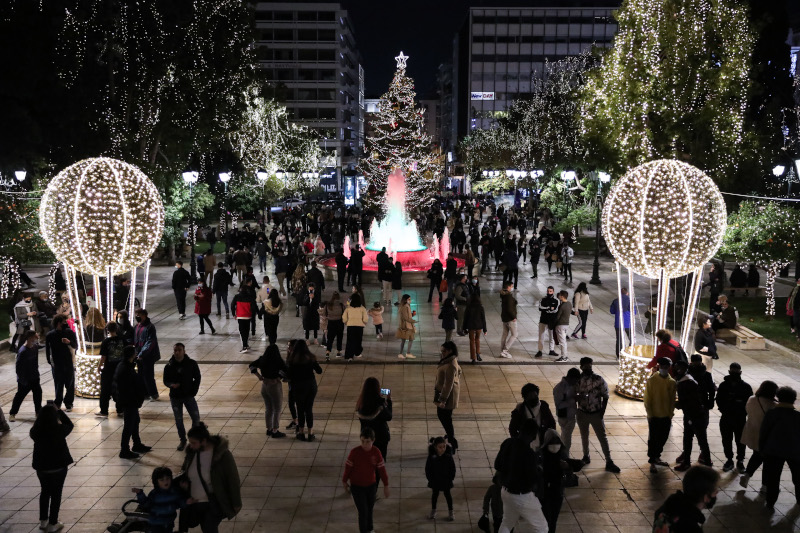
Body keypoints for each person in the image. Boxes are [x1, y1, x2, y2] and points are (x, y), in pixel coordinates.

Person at [179, 422, 242, 532]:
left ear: (204, 441)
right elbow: (186, 471)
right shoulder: (192, 452)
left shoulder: (222, 455)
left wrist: (236, 503)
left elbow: (233, 479)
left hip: (212, 502)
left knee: (209, 528)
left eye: (194, 443)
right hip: (195, 503)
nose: (191, 446)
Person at [493, 418, 549, 532]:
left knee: (507, 523)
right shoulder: (529, 454)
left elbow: (497, 465)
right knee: (542, 528)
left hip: (506, 492)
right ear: (533, 435)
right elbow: (532, 480)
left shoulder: (507, 443)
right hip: (522, 496)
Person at [30, 404, 73, 533]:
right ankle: (53, 522)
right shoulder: (59, 430)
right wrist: (59, 411)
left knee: (45, 492)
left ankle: (43, 521)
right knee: (56, 494)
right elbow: (70, 424)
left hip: (42, 468)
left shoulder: (35, 431)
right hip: (58, 467)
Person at [576, 357, 620, 472]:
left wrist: (602, 412)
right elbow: (573, 395)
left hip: (596, 413)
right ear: (581, 367)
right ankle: (586, 456)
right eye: (585, 367)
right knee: (584, 436)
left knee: (602, 437)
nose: (588, 369)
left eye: (590, 366)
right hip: (582, 412)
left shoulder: (598, 379)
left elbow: (605, 396)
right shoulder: (578, 380)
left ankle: (609, 460)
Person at [342, 427, 390, 533]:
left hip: (371, 486)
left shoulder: (376, 452)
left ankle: (370, 528)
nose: (365, 444)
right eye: (363, 441)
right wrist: (344, 481)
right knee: (363, 511)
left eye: (367, 442)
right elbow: (348, 468)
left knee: (369, 509)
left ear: (373, 440)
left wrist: (386, 485)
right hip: (357, 487)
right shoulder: (355, 452)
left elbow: (381, 470)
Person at [759, 386, 800, 511]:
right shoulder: (798, 416)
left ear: (778, 398)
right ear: (793, 400)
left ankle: (770, 502)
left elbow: (764, 432)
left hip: (773, 451)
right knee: (798, 477)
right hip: (795, 451)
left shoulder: (772, 414)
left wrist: (762, 449)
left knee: (773, 478)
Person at [652, 465, 720, 532]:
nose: (717, 493)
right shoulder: (691, 527)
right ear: (706, 498)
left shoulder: (667, 508)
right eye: (715, 492)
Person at [113, 346, 151, 459]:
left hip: (129, 401)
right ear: (132, 355)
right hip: (129, 402)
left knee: (135, 422)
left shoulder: (124, 365)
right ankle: (124, 450)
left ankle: (137, 444)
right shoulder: (126, 369)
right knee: (129, 426)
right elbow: (133, 385)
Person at [740, 380, 778, 489]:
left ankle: (747, 475)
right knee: (767, 461)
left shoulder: (751, 399)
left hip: (752, 433)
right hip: (766, 437)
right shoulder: (773, 405)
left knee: (757, 455)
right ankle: (764, 486)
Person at [673, 360, 711, 471]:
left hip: (695, 415)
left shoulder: (687, 382)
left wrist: (678, 404)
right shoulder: (685, 380)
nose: (677, 370)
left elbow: (690, 400)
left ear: (685, 369)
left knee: (701, 439)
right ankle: (687, 461)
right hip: (691, 414)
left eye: (679, 368)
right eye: (676, 368)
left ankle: (707, 462)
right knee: (688, 438)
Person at [163, 343, 202, 451]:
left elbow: (197, 377)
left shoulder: (191, 364)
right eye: (175, 350)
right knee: (178, 420)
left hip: (188, 395)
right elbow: (165, 380)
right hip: (175, 397)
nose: (177, 352)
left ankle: (194, 439)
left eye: (179, 350)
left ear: (184, 351)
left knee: (196, 418)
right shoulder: (169, 366)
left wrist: (193, 391)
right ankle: (182, 440)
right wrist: (171, 385)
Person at [715, 362, 752, 473]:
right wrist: (725, 408)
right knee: (726, 440)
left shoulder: (745, 387)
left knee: (740, 441)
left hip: (740, 419)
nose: (734, 374)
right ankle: (729, 459)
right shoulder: (724, 385)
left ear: (740, 372)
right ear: (729, 372)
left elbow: (749, 402)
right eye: (733, 372)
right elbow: (719, 400)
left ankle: (740, 461)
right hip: (726, 417)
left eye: (736, 372)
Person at [132, 467, 192, 533]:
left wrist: (186, 502)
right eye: (162, 480)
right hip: (156, 523)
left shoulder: (174, 492)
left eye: (167, 478)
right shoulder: (154, 493)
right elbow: (146, 503)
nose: (166, 481)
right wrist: (140, 494)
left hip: (169, 522)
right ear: (156, 482)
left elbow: (179, 503)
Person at [644, 357, 677, 473]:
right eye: (662, 366)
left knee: (663, 437)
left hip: (666, 416)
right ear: (659, 366)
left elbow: (672, 400)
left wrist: (670, 414)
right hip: (654, 416)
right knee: (653, 439)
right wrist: (650, 414)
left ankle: (657, 456)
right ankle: (652, 461)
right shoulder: (652, 380)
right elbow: (647, 399)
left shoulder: (672, 382)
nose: (664, 368)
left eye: (666, 367)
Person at [249, 343, 288, 438]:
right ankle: (275, 430)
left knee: (268, 408)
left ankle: (269, 429)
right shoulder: (278, 360)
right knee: (277, 409)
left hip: (264, 385)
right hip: (274, 385)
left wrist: (259, 376)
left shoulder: (262, 359)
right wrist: (280, 377)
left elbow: (251, 366)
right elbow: (286, 371)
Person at [286, 340, 322, 441]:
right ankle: (310, 433)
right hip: (311, 386)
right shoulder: (311, 358)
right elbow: (319, 371)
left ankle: (301, 433)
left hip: (298, 387)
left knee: (300, 410)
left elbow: (289, 375)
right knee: (309, 409)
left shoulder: (292, 360)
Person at [45, 314, 77, 411]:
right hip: (57, 363)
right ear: (58, 323)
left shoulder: (69, 332)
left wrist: (69, 342)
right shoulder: (50, 335)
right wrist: (50, 362)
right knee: (58, 384)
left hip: (68, 362)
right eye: (64, 322)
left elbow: (75, 345)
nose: (66, 323)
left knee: (70, 383)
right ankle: (58, 402)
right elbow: (48, 350)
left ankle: (68, 402)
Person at [434, 341, 461, 453]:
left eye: (444, 351)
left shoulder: (451, 364)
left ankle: (452, 440)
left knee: (444, 417)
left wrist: (443, 400)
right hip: (444, 393)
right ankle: (451, 437)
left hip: (447, 396)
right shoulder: (449, 360)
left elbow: (448, 384)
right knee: (445, 417)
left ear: (450, 350)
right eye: (441, 351)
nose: (442, 353)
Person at [9, 330, 43, 421]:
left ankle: (38, 412)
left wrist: (37, 373)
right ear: (30, 338)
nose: (37, 338)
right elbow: (18, 368)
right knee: (20, 396)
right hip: (25, 379)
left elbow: (35, 361)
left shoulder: (35, 348)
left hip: (35, 377)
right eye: (36, 336)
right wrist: (22, 379)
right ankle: (12, 413)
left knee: (38, 394)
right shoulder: (22, 351)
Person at [356, 377, 393, 459]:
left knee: (368, 460)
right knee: (380, 459)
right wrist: (389, 401)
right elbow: (389, 416)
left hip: (367, 436)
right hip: (381, 437)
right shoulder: (379, 404)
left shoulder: (361, 403)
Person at [98, 321, 126, 417]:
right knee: (120, 388)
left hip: (108, 369)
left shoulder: (106, 342)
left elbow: (103, 357)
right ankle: (120, 409)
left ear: (107, 330)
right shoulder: (123, 340)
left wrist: (99, 366)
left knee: (105, 391)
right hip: (120, 369)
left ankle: (104, 410)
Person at [426, 436, 456, 521]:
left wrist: (451, 478)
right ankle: (433, 510)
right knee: (435, 495)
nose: (442, 449)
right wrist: (430, 479)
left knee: (448, 495)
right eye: (440, 447)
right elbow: (428, 469)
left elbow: (452, 468)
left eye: (444, 446)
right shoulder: (432, 457)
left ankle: (451, 512)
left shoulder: (448, 456)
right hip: (435, 480)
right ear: (435, 447)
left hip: (446, 480)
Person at [134, 308, 161, 400]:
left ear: (144, 315)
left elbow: (150, 342)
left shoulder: (150, 327)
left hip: (148, 355)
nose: (137, 316)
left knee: (148, 375)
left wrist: (142, 354)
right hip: (139, 355)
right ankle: (145, 393)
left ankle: (153, 393)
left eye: (139, 315)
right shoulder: (137, 326)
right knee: (141, 374)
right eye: (136, 314)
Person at [553, 368, 580, 456]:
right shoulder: (559, 388)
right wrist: (573, 400)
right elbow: (559, 405)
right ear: (571, 378)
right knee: (566, 438)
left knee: (565, 436)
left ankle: (563, 455)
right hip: (563, 416)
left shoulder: (573, 385)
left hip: (571, 415)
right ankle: (565, 456)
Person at [610, 287, 635, 357]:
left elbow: (612, 311)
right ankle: (630, 352)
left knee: (619, 339)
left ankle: (619, 355)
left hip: (618, 323)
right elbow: (634, 312)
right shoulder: (630, 301)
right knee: (631, 339)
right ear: (627, 293)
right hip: (628, 324)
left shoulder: (615, 301)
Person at [535, 286, 558, 358]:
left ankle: (551, 350)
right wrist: (549, 308)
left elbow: (556, 310)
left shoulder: (556, 300)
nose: (549, 292)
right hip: (543, 320)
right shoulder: (543, 299)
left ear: (553, 292)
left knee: (552, 336)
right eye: (548, 291)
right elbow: (540, 308)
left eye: (550, 291)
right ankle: (540, 350)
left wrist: (546, 310)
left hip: (551, 321)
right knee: (541, 336)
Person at [343, 293, 369, 360]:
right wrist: (364, 323)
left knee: (350, 341)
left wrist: (346, 322)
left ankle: (349, 355)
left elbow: (344, 317)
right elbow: (365, 318)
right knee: (358, 340)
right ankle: (357, 352)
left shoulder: (348, 308)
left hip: (350, 326)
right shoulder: (362, 308)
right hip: (359, 327)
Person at [231, 287, 256, 353]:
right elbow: (253, 307)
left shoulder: (237, 297)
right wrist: (253, 315)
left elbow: (232, 305)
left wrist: (233, 314)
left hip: (240, 316)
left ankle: (244, 346)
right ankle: (246, 344)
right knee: (247, 331)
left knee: (242, 332)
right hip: (248, 316)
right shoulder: (250, 297)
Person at [464, 294, 487, 363]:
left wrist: (464, 328)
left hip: (471, 326)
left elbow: (465, 318)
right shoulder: (480, 307)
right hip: (478, 326)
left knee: (472, 341)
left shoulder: (468, 307)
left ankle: (473, 358)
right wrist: (485, 329)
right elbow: (483, 319)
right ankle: (478, 353)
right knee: (477, 340)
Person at [323, 291, 346, 360]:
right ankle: (338, 352)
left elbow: (324, 314)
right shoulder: (341, 305)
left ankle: (327, 353)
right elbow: (344, 314)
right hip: (339, 323)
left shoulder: (327, 305)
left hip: (331, 323)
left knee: (330, 339)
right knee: (339, 338)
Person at [396, 294, 417, 359]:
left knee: (407, 339)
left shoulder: (406, 306)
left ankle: (403, 353)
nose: (410, 300)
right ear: (405, 300)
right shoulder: (405, 307)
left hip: (408, 325)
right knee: (409, 339)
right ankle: (405, 353)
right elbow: (405, 318)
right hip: (407, 326)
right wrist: (413, 321)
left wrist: (412, 315)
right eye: (409, 299)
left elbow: (407, 316)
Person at [499, 281, 517, 358]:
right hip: (510, 318)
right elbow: (509, 309)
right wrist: (513, 317)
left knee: (505, 334)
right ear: (508, 287)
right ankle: (505, 350)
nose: (512, 288)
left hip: (504, 318)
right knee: (515, 334)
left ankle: (502, 350)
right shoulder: (509, 296)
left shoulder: (503, 295)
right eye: (511, 286)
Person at [553, 290, 571, 362]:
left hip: (560, 325)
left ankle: (564, 357)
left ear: (562, 296)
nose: (559, 296)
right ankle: (565, 356)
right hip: (566, 324)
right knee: (564, 342)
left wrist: (554, 323)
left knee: (562, 342)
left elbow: (558, 316)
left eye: (560, 295)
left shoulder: (562, 306)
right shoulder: (569, 304)